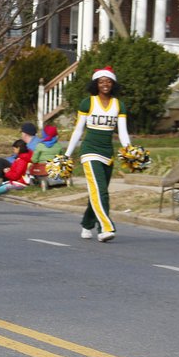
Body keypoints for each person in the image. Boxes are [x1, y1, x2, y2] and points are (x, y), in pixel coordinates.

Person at [64, 66, 131, 242]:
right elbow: (78, 130)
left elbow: (122, 132)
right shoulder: (88, 102)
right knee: (100, 191)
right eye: (101, 81)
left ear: (113, 84)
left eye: (108, 81)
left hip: (107, 153)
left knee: (99, 191)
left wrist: (130, 151)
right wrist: (67, 154)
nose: (105, 84)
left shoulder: (119, 105)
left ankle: (87, 223)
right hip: (89, 151)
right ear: (96, 84)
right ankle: (105, 228)